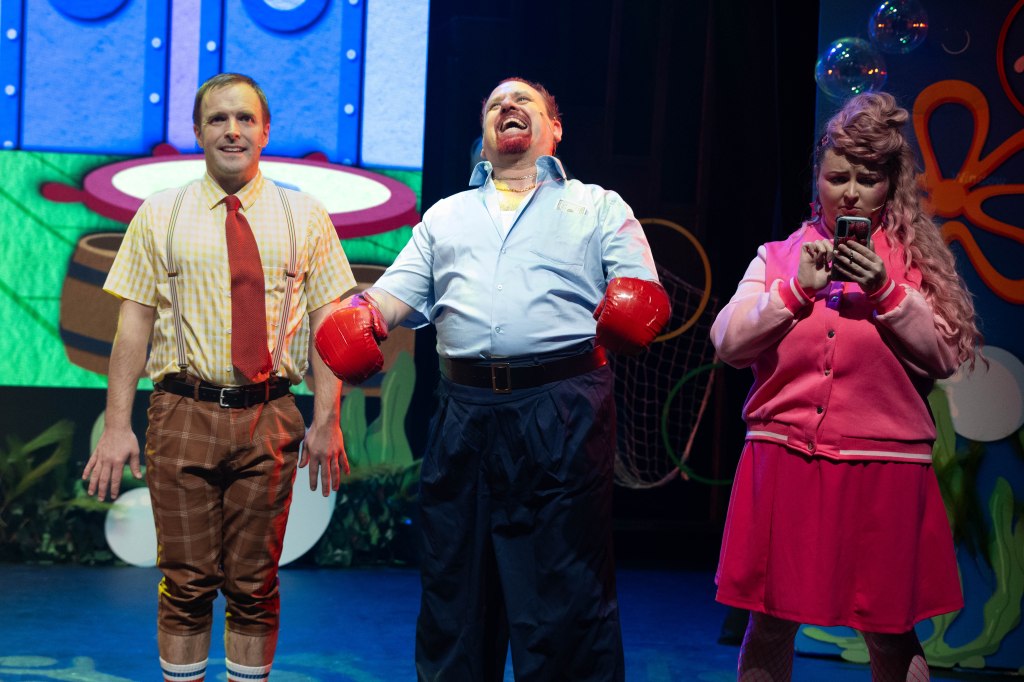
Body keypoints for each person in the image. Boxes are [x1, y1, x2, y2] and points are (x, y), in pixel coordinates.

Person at [315, 77, 670, 681]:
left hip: (561, 409)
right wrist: (363, 316)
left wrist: (634, 301)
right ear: (484, 135)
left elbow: (641, 292)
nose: (507, 106)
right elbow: (395, 296)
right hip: (465, 413)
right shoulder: (446, 215)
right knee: (456, 595)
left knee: (565, 600)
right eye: (494, 104)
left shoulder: (597, 205)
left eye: (523, 100)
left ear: (555, 128)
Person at [81, 73, 355, 682]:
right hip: (183, 411)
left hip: (271, 414)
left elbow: (329, 328)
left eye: (245, 119)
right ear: (198, 131)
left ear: (265, 131)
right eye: (218, 119)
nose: (232, 131)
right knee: (185, 582)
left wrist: (327, 420)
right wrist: (117, 427)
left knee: (255, 584)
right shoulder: (161, 212)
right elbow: (133, 327)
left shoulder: (305, 215)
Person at [711, 91, 981, 681]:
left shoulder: (911, 262)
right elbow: (728, 342)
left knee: (889, 629)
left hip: (882, 467)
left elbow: (945, 357)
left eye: (867, 179)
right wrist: (793, 292)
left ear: (890, 185)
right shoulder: (778, 256)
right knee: (771, 619)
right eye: (838, 178)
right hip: (786, 459)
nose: (851, 193)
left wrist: (887, 292)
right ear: (818, 179)